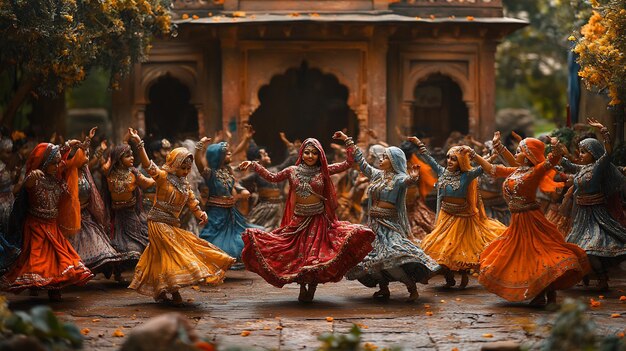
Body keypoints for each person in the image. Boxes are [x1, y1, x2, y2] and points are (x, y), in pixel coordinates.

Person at [238, 133, 375, 302]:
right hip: (298, 221)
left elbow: (348, 163)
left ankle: (312, 287)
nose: (310, 156)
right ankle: (302, 286)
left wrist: (347, 141)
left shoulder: (324, 170)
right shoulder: (292, 171)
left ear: (320, 155)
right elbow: (273, 178)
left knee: (315, 257)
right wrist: (254, 165)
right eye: (307, 152)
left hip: (319, 221)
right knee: (298, 256)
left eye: (314, 153)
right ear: (301, 153)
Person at [474, 136, 590, 306]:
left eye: (520, 151)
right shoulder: (515, 171)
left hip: (531, 220)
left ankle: (543, 292)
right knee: (521, 257)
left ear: (528, 156)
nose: (516, 153)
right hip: (517, 222)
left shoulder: (535, 172)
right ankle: (545, 292)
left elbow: (553, 158)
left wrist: (555, 143)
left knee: (538, 255)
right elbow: (492, 169)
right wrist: (474, 154)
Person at [127, 129, 235, 304]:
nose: (185, 172)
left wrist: (201, 213)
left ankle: (160, 290)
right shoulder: (162, 177)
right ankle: (175, 291)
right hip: (157, 221)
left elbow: (192, 201)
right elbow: (148, 165)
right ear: (174, 165)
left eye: (187, 168)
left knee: (160, 256)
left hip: (172, 223)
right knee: (173, 251)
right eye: (182, 167)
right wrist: (139, 144)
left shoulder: (185, 185)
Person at [345, 143, 440, 301]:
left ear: (394, 161)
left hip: (389, 226)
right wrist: (349, 142)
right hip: (374, 225)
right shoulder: (377, 175)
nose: (381, 159)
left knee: (392, 258)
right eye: (381, 157)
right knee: (371, 260)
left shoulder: (398, 178)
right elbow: (362, 164)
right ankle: (383, 289)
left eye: (385, 157)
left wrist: (413, 177)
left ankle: (411, 287)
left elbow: (407, 181)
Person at [0, 141, 93, 300]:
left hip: (53, 227)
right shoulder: (35, 179)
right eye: (53, 164)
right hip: (36, 227)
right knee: (38, 262)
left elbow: (66, 163)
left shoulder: (57, 179)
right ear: (44, 164)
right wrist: (31, 176)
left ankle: (54, 289)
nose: (57, 166)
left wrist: (68, 146)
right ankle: (36, 285)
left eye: (58, 163)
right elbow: (27, 184)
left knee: (60, 260)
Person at [411, 138, 506, 288]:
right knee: (437, 248)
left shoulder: (467, 176)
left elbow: (484, 167)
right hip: (446, 217)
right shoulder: (442, 172)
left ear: (461, 161)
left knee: (460, 250)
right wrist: (419, 144)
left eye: (454, 159)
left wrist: (492, 156)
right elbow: (428, 159)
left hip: (463, 219)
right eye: (448, 157)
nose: (449, 161)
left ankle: (463, 274)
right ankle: (449, 277)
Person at [561, 120, 626, 290]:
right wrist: (559, 154)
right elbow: (568, 165)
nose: (581, 155)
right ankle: (585, 276)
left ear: (593, 153)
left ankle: (602, 277)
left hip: (596, 215)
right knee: (576, 247)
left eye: (584, 152)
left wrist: (604, 131)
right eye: (580, 151)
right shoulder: (582, 169)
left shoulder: (598, 167)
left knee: (590, 249)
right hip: (581, 215)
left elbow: (608, 154)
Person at [196, 138, 263, 261]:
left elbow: (235, 184)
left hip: (231, 213)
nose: (230, 154)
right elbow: (199, 164)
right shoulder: (210, 173)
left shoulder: (228, 171)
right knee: (212, 238)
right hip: (216, 213)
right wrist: (199, 146)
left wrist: (241, 191)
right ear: (218, 156)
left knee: (243, 236)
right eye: (226, 153)